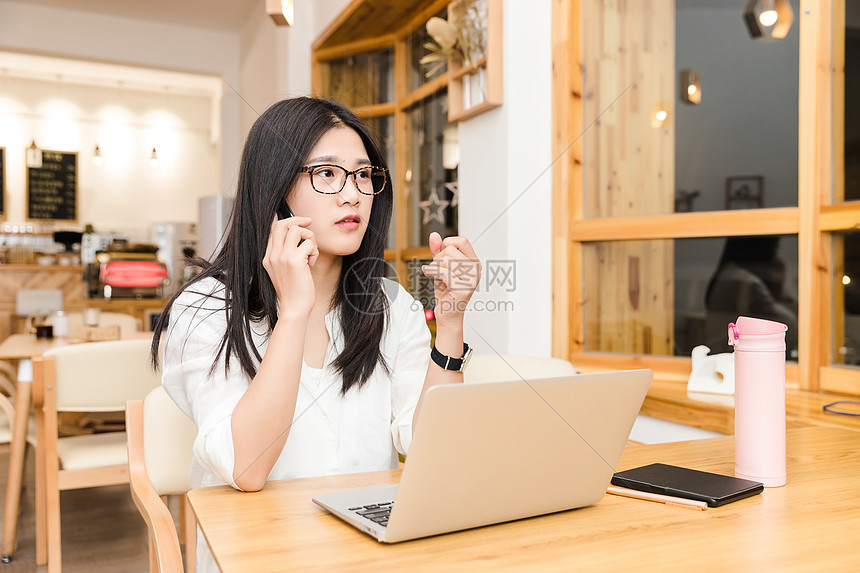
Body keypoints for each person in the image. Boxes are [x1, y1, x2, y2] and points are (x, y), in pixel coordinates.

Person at [150, 97, 481, 571]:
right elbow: (247, 468)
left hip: (372, 553)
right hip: (257, 554)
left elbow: (436, 451)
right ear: (276, 187)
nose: (353, 195)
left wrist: (450, 324)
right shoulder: (207, 309)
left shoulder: (389, 305)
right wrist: (294, 312)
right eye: (327, 173)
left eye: (364, 175)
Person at [704, 236, 798, 357]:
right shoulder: (744, 282)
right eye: (774, 250)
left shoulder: (728, 273)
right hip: (733, 358)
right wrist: (779, 281)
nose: (775, 256)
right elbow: (788, 328)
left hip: (721, 354)